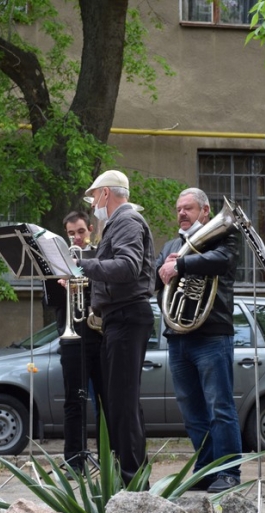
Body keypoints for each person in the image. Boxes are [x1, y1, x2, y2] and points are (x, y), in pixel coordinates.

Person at [155, 188, 242, 494]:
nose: (181, 213)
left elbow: (223, 260)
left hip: (212, 335)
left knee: (220, 406)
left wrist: (182, 264)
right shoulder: (169, 245)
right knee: (192, 411)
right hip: (178, 338)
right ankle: (206, 470)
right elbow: (154, 279)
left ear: (205, 211)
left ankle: (229, 471)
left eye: (188, 208)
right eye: (178, 208)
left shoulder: (223, 236)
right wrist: (163, 269)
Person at [77, 170, 155, 484]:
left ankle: (133, 481)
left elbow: (127, 266)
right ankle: (135, 480)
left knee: (122, 404)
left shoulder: (125, 221)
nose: (93, 202)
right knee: (122, 402)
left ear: (106, 194)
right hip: (120, 317)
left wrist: (80, 265)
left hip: (126, 316)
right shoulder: (120, 223)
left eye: (94, 196)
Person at [44, 211, 103, 475]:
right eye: (71, 233)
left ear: (89, 229)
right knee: (73, 400)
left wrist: (86, 284)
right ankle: (74, 461)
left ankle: (109, 458)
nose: (76, 238)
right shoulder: (57, 259)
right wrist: (59, 283)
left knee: (105, 400)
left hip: (99, 336)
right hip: (71, 337)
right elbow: (51, 301)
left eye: (80, 232)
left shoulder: (100, 255)